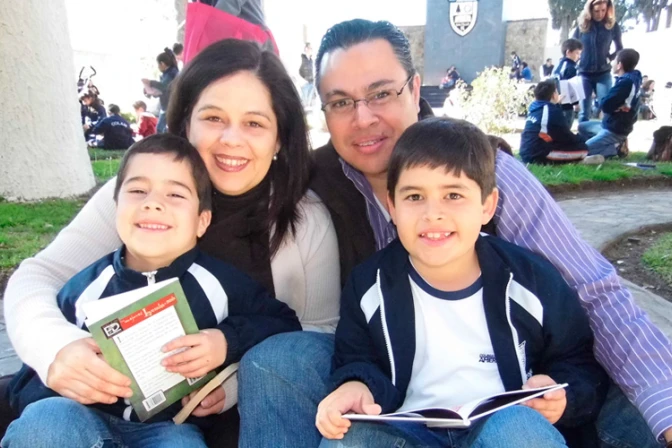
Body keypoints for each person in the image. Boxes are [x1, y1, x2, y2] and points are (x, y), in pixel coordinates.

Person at [237, 19, 667, 448]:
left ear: (414, 89)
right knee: (280, 364)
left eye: (381, 93)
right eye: (341, 102)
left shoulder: (484, 170)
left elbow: (592, 292)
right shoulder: (313, 181)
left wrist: (654, 404)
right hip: (390, 394)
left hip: (512, 399)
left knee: (622, 402)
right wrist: (354, 382)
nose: (363, 118)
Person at [3, 39, 340, 447]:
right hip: (92, 415)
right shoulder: (139, 198)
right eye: (213, 117)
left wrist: (230, 379)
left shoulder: (303, 218)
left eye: (254, 123)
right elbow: (36, 277)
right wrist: (56, 348)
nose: (231, 139)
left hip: (227, 421)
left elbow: (317, 332)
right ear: (185, 123)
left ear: (280, 139)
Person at [316, 117, 607, 448]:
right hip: (409, 431)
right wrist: (357, 385)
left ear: (487, 206)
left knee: (521, 430)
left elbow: (577, 359)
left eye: (453, 195)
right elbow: (357, 358)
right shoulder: (369, 285)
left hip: (501, 428)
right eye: (414, 197)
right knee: (351, 438)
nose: (433, 213)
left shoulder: (531, 279)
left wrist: (561, 396)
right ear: (392, 206)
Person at [2, 134, 301, 448]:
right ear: (115, 209)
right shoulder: (85, 288)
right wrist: (63, 378)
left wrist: (226, 341)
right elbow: (29, 378)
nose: (153, 203)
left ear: (202, 221)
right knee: (45, 419)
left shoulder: (219, 284)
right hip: (83, 422)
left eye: (175, 194)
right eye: (138, 191)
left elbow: (282, 322)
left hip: (168, 430)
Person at [578, 49, 642, 158]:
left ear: (619, 65)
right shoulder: (631, 78)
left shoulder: (626, 83)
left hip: (615, 130)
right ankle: (599, 145)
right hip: (608, 124)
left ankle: (616, 147)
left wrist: (610, 105)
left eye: (614, 61)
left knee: (581, 151)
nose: (612, 63)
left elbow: (605, 105)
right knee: (582, 126)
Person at [573, 0, 623, 122]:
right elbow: (572, 45)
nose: (600, 14)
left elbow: (620, 48)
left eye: (603, 10)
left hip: (603, 73)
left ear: (608, 9)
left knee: (607, 108)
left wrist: (610, 58)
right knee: (584, 112)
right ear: (590, 10)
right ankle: (583, 134)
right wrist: (576, 60)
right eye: (596, 11)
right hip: (584, 73)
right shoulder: (582, 26)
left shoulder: (612, 26)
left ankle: (606, 133)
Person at [520, 80, 589, 164]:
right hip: (539, 154)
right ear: (553, 95)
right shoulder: (552, 111)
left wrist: (556, 104)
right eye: (557, 92)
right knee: (583, 149)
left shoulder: (534, 108)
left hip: (525, 151)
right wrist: (581, 139)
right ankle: (577, 160)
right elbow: (566, 136)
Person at [142, 48, 180, 133]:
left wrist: (150, 83)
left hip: (170, 106)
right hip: (169, 106)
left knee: (161, 130)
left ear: (162, 64)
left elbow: (164, 87)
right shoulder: (171, 73)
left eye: (158, 64)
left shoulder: (171, 74)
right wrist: (150, 91)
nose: (158, 67)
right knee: (161, 130)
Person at [554, 38, 584, 128]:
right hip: (567, 105)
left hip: (555, 103)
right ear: (568, 52)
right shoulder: (571, 68)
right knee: (566, 128)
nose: (579, 56)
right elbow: (572, 87)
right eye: (577, 53)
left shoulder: (558, 66)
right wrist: (576, 103)